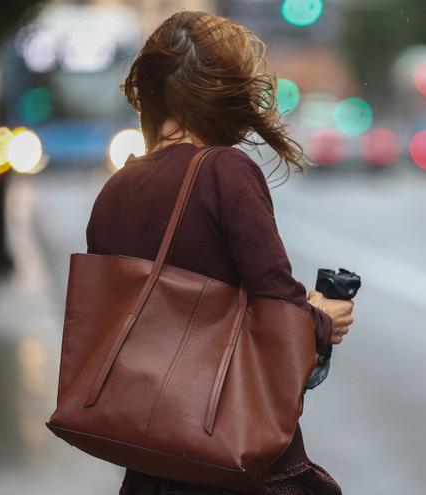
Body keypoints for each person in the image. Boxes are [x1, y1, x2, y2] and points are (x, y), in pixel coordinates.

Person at [83, 11, 355, 495]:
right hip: (226, 462)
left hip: (149, 464)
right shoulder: (225, 172)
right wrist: (321, 318)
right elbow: (278, 312)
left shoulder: (115, 191)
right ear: (224, 94)